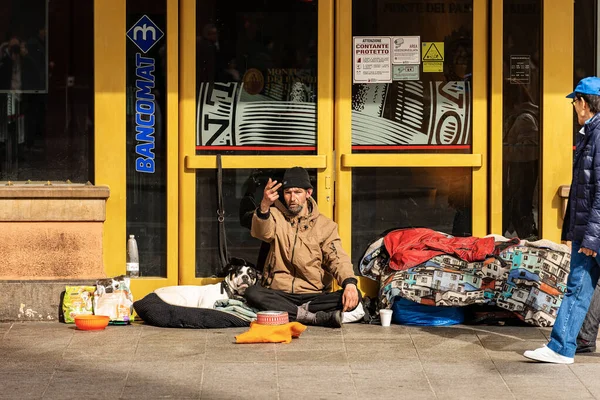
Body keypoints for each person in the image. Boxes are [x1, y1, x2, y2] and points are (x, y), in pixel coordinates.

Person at [524, 76, 600, 364]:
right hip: (588, 230)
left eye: (575, 101)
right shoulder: (590, 134)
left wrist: (591, 238)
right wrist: (573, 231)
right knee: (577, 288)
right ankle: (560, 347)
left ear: (583, 103)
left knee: (577, 288)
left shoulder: (598, 135)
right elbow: (584, 189)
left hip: (594, 232)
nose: (573, 107)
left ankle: (561, 346)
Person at [243, 167, 362, 328]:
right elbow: (262, 232)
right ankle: (310, 317)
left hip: (312, 296)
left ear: (308, 193)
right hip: (279, 293)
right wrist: (264, 205)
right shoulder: (275, 216)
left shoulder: (325, 226)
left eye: (297, 192)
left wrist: (349, 283)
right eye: (288, 192)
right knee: (252, 293)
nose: (292, 198)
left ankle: (293, 313)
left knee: (354, 295)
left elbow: (337, 258)